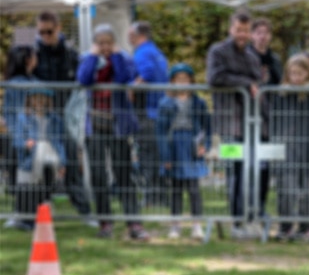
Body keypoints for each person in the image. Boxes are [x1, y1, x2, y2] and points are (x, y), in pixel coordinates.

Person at [77, 25, 149, 241]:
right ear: (95, 44)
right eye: (101, 42)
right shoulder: (88, 58)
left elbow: (123, 78)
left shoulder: (123, 57)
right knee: (98, 176)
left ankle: (134, 223)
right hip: (95, 127)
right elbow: (83, 79)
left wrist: (116, 55)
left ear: (115, 43)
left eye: (109, 42)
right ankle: (105, 222)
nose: (105, 47)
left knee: (123, 174)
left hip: (117, 127)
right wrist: (93, 56)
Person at [206, 9, 262, 237]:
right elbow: (215, 78)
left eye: (246, 30)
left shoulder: (252, 56)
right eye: (239, 29)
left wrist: (251, 84)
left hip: (250, 123)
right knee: (234, 172)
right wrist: (245, 83)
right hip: (229, 123)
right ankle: (237, 221)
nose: (242, 34)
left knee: (250, 171)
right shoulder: (217, 51)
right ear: (231, 29)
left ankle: (249, 218)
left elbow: (258, 81)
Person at [32, 11, 91, 218]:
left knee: (72, 162)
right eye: (41, 32)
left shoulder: (70, 53)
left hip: (67, 115)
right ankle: (44, 207)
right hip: (44, 115)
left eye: (49, 32)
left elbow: (82, 79)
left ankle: (84, 210)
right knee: (44, 161)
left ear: (58, 29)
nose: (45, 36)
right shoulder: (35, 53)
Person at [269, 54, 309, 242]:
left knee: (308, 190)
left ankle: (307, 228)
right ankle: (285, 227)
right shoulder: (280, 95)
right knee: (286, 189)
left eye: (300, 73)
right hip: (286, 148)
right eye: (292, 73)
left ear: (307, 73)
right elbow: (274, 121)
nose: (296, 77)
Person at [156, 64, 210, 240]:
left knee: (194, 188)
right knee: (176, 189)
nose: (183, 82)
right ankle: (175, 225)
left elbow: (207, 127)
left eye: (186, 79)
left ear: (191, 81)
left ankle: (196, 225)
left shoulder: (199, 102)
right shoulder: (165, 103)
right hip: (174, 146)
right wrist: (165, 156)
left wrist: (205, 145)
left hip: (192, 146)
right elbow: (161, 132)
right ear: (172, 82)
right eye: (178, 79)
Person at [128, 21, 170, 208]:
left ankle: (151, 195)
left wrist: (132, 87)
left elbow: (145, 74)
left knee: (147, 155)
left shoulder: (143, 52)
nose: (129, 37)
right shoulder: (157, 52)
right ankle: (160, 194)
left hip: (147, 112)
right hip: (159, 111)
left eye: (131, 34)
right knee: (157, 155)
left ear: (138, 35)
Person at [12, 88, 65, 231]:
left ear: (48, 101)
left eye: (43, 98)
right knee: (39, 150)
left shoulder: (55, 120)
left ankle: (43, 216)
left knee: (44, 149)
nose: (39, 102)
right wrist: (26, 144)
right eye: (36, 98)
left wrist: (63, 162)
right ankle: (28, 219)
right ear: (30, 100)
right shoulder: (23, 118)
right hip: (30, 159)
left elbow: (59, 143)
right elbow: (17, 142)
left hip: (49, 158)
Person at [251, 18, 283, 222]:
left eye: (266, 32)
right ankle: (246, 206)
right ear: (253, 35)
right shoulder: (245, 56)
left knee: (265, 167)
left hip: (269, 121)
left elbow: (280, 83)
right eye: (259, 32)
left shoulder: (275, 60)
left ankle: (260, 206)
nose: (263, 36)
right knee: (247, 165)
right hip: (248, 119)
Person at [2, 45, 39, 221]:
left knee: (23, 174)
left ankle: (22, 213)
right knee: (27, 174)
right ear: (28, 61)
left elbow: (8, 112)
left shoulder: (13, 83)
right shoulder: (27, 84)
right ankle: (24, 215)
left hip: (18, 134)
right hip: (28, 135)